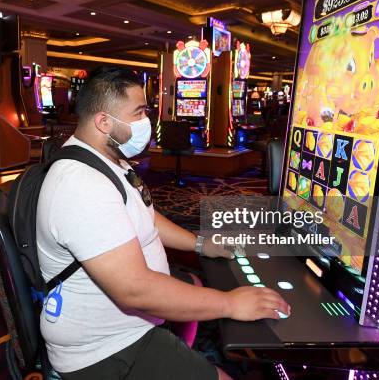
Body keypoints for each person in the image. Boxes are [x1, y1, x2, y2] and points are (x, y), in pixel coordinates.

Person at [36, 67, 290, 380]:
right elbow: (134, 291)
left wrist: (200, 243)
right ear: (103, 122)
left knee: (193, 284)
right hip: (107, 349)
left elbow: (144, 212)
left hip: (129, 326)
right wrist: (229, 304)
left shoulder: (106, 158)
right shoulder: (80, 184)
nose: (148, 122)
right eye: (139, 112)